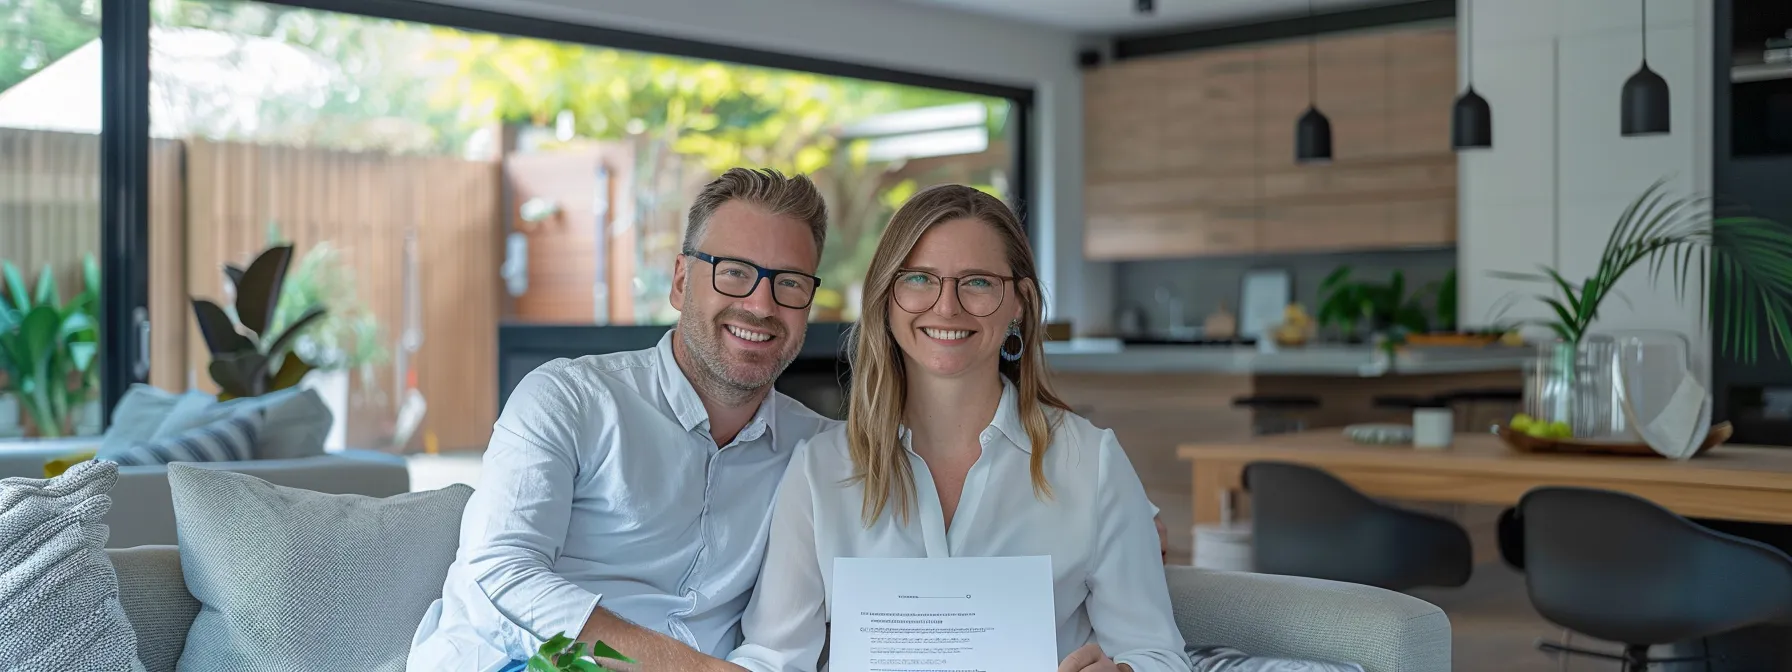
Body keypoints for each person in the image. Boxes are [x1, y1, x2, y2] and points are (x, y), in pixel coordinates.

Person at [726, 184, 1193, 672]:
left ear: (1020, 301)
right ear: (886, 297)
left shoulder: (1091, 463)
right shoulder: (819, 470)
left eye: (977, 282)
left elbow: (1158, 654)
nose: (947, 307)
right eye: (920, 279)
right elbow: (773, 658)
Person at [406, 167, 840, 672]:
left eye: (789, 282)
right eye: (735, 272)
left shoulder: (817, 451)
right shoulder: (570, 398)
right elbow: (500, 573)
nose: (761, 304)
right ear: (681, 282)